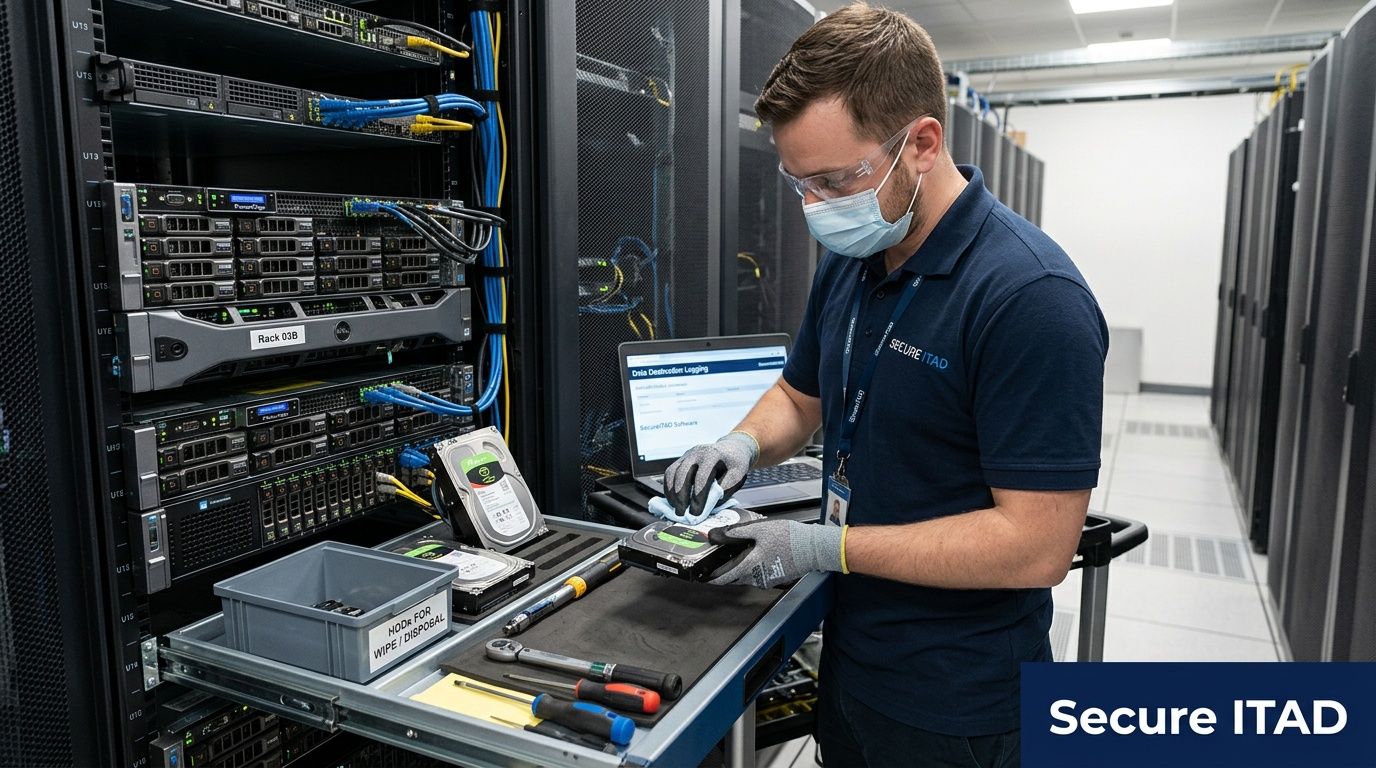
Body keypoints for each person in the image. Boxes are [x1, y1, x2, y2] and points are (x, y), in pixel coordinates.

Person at [662, 4, 1108, 766]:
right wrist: (741, 443)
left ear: (922, 144)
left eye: (837, 179)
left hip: (958, 700)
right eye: (800, 183)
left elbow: (1035, 546)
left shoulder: (1031, 298)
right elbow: (800, 396)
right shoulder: (854, 259)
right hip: (853, 655)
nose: (817, 207)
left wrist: (819, 545)